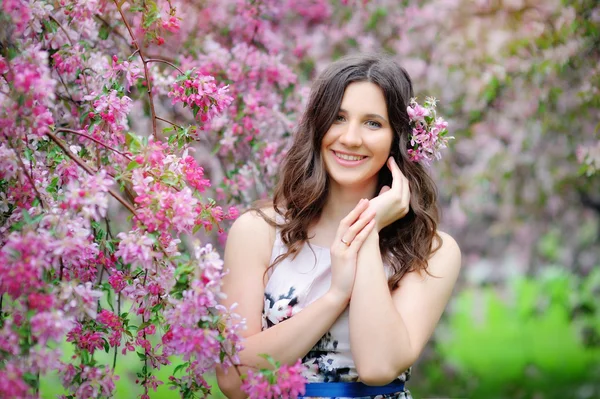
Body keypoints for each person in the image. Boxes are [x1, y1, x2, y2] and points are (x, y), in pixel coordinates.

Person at [216, 53, 462, 399]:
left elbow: (378, 367)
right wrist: (335, 296)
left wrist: (368, 233)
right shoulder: (258, 232)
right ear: (318, 126)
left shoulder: (431, 252)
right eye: (338, 118)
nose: (349, 138)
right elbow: (232, 379)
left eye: (373, 123)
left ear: (398, 138)